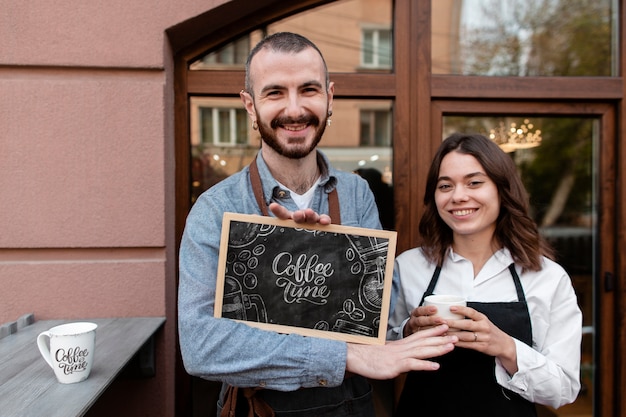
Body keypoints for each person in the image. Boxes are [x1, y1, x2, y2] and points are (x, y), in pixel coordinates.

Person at [178, 32, 457, 417]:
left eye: (308, 90)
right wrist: (341, 355)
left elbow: (378, 316)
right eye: (275, 93)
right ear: (249, 105)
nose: (294, 109)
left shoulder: (357, 193)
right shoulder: (216, 208)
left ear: (329, 98)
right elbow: (202, 348)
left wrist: (402, 330)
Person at [388, 132, 582, 417]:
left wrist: (505, 347)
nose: (458, 196)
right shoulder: (408, 267)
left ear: (502, 190)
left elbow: (563, 390)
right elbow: (377, 353)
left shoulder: (547, 277)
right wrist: (408, 332)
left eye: (474, 183)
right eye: (445, 186)